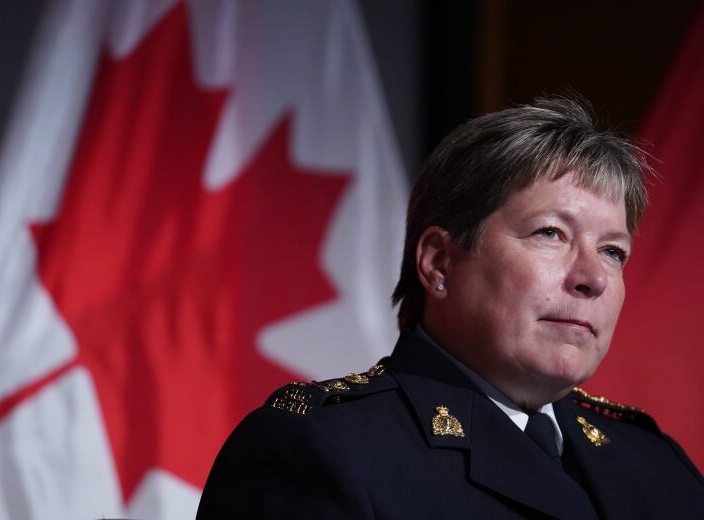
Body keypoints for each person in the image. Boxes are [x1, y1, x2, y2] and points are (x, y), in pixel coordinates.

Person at [196, 96, 704, 518]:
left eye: (614, 251)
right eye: (551, 234)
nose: (593, 278)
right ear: (439, 263)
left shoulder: (657, 465)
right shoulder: (319, 451)